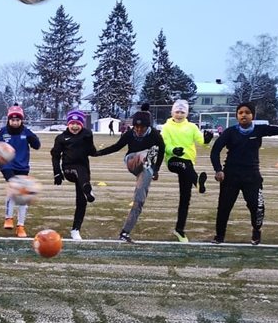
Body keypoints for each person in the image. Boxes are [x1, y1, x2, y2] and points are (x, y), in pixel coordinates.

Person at [209, 102, 278, 245]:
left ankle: (256, 230)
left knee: (257, 207)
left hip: (252, 176)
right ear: (237, 116)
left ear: (253, 115)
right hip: (231, 175)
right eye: (240, 113)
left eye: (247, 112)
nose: (243, 115)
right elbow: (215, 151)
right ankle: (219, 235)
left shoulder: (259, 130)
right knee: (224, 207)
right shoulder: (230, 132)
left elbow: (277, 130)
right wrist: (218, 170)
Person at [95, 104, 165, 243]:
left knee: (139, 200)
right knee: (144, 154)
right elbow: (116, 147)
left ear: (148, 127)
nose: (138, 130)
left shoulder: (155, 135)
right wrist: (97, 153)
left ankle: (125, 232)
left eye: (142, 128)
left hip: (147, 167)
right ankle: (147, 156)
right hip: (132, 161)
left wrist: (156, 170)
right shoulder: (130, 134)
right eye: (136, 127)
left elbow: (162, 152)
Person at [161, 100, 214, 243]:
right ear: (172, 112)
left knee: (185, 198)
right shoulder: (166, 127)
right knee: (184, 167)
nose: (179, 114)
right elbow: (164, 145)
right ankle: (197, 182)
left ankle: (179, 230)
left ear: (187, 113)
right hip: (173, 161)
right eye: (177, 112)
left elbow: (200, 140)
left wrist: (207, 139)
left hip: (188, 163)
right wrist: (173, 150)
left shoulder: (191, 127)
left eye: (182, 112)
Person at [50, 110, 97, 241]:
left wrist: (90, 143)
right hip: (69, 169)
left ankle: (76, 229)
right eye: (72, 123)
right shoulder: (61, 138)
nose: (75, 126)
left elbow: (92, 151)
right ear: (68, 124)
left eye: (78, 123)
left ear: (82, 124)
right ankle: (88, 189)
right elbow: (55, 156)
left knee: (81, 201)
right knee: (77, 171)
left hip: (84, 171)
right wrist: (57, 172)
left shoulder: (87, 134)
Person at [0, 105, 41, 238]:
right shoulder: (2, 132)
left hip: (22, 167)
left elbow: (37, 145)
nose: (15, 122)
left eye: (17, 120)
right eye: (12, 120)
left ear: (21, 120)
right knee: (14, 188)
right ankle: (8, 218)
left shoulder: (26, 132)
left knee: (22, 196)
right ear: (8, 120)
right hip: (7, 166)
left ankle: (21, 226)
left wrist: (33, 139)